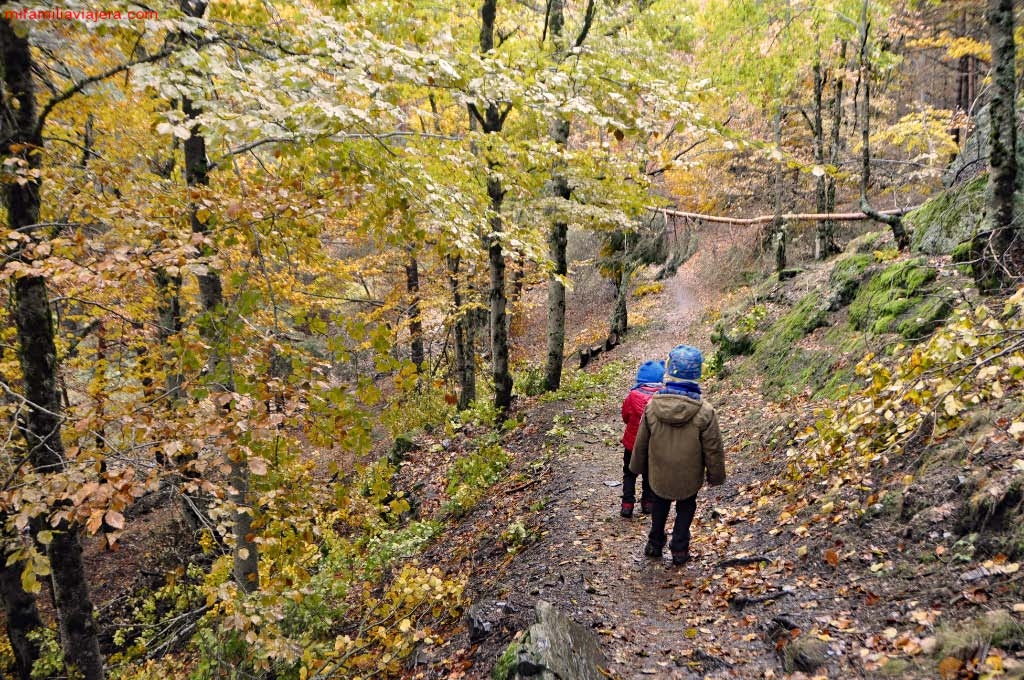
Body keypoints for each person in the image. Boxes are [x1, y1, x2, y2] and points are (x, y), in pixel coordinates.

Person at [629, 344, 724, 565]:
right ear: (697, 375)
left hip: (659, 473)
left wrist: (636, 467)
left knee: (660, 504)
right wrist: (715, 475)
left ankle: (654, 542)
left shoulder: (652, 406)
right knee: (686, 507)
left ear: (669, 373)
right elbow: (713, 448)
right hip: (689, 476)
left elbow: (642, 441)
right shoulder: (705, 411)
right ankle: (679, 548)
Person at [619, 360, 664, 518]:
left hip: (632, 443)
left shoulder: (632, 396)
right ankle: (648, 503)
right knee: (649, 473)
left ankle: (627, 504)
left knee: (629, 473)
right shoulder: (662, 397)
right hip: (654, 444)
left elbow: (625, 416)